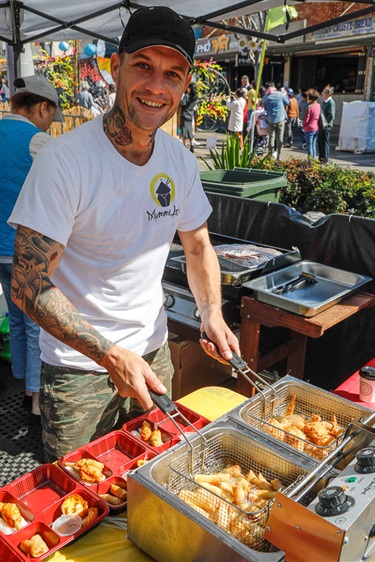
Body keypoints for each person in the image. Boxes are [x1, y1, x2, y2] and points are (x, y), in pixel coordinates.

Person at [9, 6, 240, 462]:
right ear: (115, 67)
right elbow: (27, 284)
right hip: (80, 370)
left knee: (158, 480)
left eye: (173, 75)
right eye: (143, 67)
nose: (157, 87)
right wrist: (111, 355)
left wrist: (211, 309)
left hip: (153, 354)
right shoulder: (64, 161)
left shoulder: (180, 161)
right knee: (81, 504)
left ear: (185, 84)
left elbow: (197, 247)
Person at [0, 74, 63, 426]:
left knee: (16, 320)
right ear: (42, 107)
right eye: (49, 117)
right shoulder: (38, 141)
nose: (49, 125)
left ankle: (24, 385)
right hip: (25, 250)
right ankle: (37, 399)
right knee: (37, 324)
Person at [262, 81, 289, 160]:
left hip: (270, 119)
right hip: (280, 119)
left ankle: (270, 155)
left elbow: (265, 108)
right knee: (280, 138)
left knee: (271, 137)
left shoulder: (266, 97)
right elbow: (287, 102)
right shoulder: (280, 94)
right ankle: (279, 156)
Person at [318, 85, 336, 164]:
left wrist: (326, 124)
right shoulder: (324, 102)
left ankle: (325, 159)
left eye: (324, 92)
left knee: (325, 142)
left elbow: (331, 115)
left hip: (326, 126)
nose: (322, 94)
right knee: (320, 142)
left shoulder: (331, 102)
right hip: (321, 125)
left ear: (329, 94)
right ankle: (321, 158)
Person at [180, 82, 198, 152]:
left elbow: (182, 104)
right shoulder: (195, 97)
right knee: (190, 132)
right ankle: (192, 146)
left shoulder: (187, 96)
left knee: (184, 132)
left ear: (190, 88)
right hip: (190, 116)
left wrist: (181, 98)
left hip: (185, 115)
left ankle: (185, 147)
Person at [303, 89, 320, 160]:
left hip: (309, 128)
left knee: (309, 146)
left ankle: (310, 161)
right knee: (313, 145)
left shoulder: (309, 107)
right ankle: (313, 159)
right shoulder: (318, 105)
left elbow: (307, 119)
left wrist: (303, 125)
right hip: (316, 127)